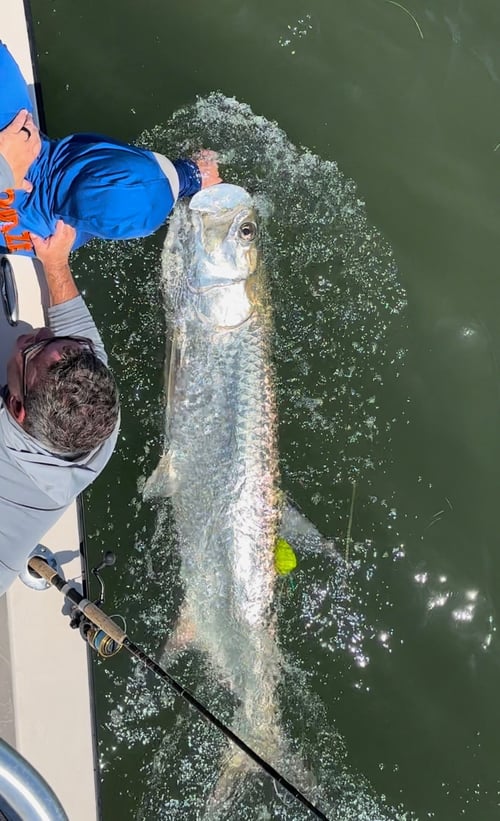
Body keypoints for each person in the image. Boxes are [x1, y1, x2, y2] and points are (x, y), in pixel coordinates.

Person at [0, 42, 221, 254]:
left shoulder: (10, 114)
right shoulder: (60, 241)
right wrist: (187, 177)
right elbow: (110, 207)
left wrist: (186, 175)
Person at [0, 219, 120, 595]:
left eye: (35, 348)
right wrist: (55, 260)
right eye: (65, 342)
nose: (42, 331)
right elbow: (69, 322)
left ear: (17, 408)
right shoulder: (93, 392)